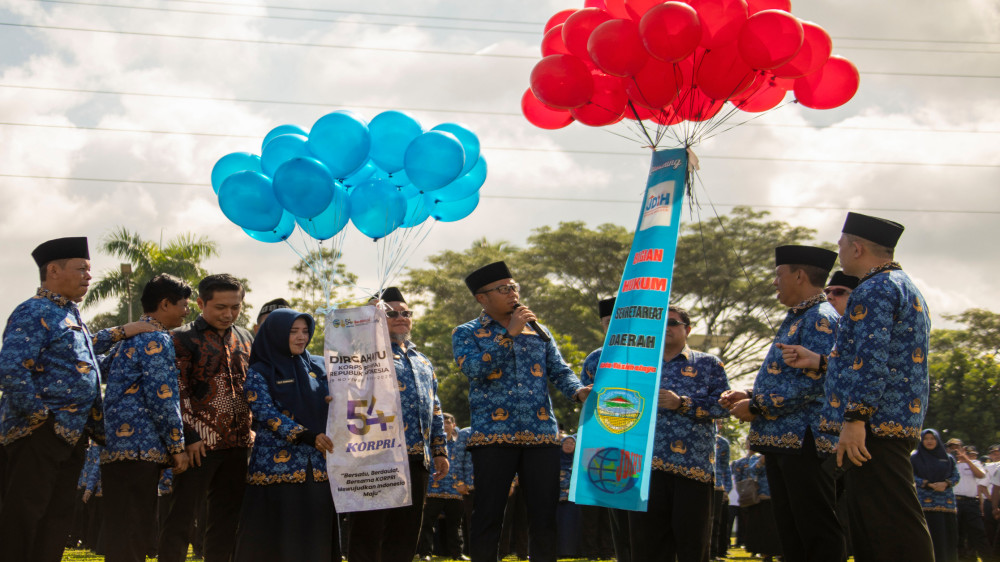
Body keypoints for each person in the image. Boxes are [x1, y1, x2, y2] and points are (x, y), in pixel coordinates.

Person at [780, 212, 934, 562]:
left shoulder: (874, 289)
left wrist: (855, 419)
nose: (840, 253)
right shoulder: (902, 285)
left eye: (841, 246)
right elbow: (878, 358)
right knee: (874, 524)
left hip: (873, 426)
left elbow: (872, 359)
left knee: (889, 524)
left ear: (858, 248)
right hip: (889, 420)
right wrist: (819, 361)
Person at [0, 236, 153, 562]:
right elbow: (11, 370)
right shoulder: (32, 311)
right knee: (23, 514)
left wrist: (123, 331)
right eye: (81, 269)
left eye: (89, 270)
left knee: (56, 516)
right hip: (37, 433)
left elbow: (80, 354)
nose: (88, 276)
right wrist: (41, 416)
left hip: (72, 432)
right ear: (53, 270)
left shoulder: (68, 315)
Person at [452, 261, 590, 562]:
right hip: (493, 437)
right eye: (503, 289)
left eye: (514, 287)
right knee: (488, 514)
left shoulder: (539, 331)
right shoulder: (467, 333)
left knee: (543, 517)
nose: (512, 293)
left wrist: (578, 391)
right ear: (482, 298)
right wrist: (508, 335)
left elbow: (560, 370)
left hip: (541, 438)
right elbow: (475, 369)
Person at [722, 244, 844, 562]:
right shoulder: (798, 317)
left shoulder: (820, 319)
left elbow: (814, 383)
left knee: (815, 528)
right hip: (781, 441)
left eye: (779, 274)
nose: (774, 282)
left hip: (805, 441)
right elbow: (786, 378)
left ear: (799, 275)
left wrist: (758, 407)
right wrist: (750, 396)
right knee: (791, 530)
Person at [158, 273, 254, 562]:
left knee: (227, 520)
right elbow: (176, 391)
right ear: (201, 303)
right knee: (182, 518)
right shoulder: (181, 338)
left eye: (235, 307)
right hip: (198, 446)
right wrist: (188, 436)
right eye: (221, 307)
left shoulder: (246, 336)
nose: (229, 314)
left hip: (238, 443)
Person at [350, 287, 449, 562]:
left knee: (406, 532)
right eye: (392, 313)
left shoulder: (422, 361)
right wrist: (368, 321)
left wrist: (439, 450)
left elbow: (435, 408)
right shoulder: (366, 353)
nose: (401, 317)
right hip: (376, 456)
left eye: (406, 312)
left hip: (417, 458)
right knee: (369, 530)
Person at [233, 308, 340, 561]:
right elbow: (264, 412)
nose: (301, 337)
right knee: (277, 539)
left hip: (319, 467)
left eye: (305, 331)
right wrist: (305, 435)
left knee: (314, 537)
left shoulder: (320, 367)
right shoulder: (260, 370)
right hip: (275, 470)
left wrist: (334, 401)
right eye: (293, 332)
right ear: (277, 333)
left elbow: (341, 400)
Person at [100, 274, 193, 562]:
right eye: (184, 305)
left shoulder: (127, 338)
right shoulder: (157, 339)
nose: (187, 311)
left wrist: (118, 331)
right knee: (134, 531)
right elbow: (163, 398)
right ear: (165, 304)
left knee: (119, 530)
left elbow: (92, 365)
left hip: (113, 448)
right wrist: (177, 447)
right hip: (141, 450)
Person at [629, 305, 731, 562]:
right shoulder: (636, 364)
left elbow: (723, 406)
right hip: (644, 468)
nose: (666, 328)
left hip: (692, 468)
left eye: (673, 322)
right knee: (649, 545)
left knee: (692, 545)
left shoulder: (709, 364)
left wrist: (681, 403)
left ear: (688, 329)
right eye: (660, 323)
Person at [579, 296, 617, 562]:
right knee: (603, 501)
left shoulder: (655, 354)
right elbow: (585, 400)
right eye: (608, 322)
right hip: (604, 440)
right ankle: (597, 551)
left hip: (647, 441)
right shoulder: (595, 359)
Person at [417, 413, 468, 561]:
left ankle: (457, 554)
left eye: (448, 423)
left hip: (454, 490)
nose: (445, 425)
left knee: (455, 524)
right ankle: (425, 553)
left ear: (454, 425)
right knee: (427, 523)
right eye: (443, 423)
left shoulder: (460, 443)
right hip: (434, 489)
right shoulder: (432, 443)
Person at [913, 429, 960, 562]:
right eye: (926, 438)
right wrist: (926, 483)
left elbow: (956, 476)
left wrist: (946, 483)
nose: (929, 441)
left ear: (937, 440)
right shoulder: (915, 457)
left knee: (947, 539)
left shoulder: (948, 458)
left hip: (946, 506)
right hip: (924, 506)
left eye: (932, 438)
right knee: (927, 538)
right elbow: (909, 476)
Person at [946, 438, 993, 561]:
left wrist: (965, 459)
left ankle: (987, 557)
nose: (955, 450)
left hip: (970, 502)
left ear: (963, 448)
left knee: (978, 530)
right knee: (956, 532)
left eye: (957, 447)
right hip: (954, 501)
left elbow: (981, 475)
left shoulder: (974, 463)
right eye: (951, 447)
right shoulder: (948, 463)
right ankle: (960, 557)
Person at [556, 434, 583, 559]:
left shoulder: (578, 462)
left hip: (573, 501)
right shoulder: (554, 460)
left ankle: (572, 551)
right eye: (566, 443)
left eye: (572, 443)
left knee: (572, 526)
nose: (568, 445)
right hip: (556, 500)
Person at [711, 427, 733, 561]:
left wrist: (727, 489)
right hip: (699, 480)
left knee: (715, 521)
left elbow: (726, 468)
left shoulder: (723, 443)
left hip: (718, 486)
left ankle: (712, 554)